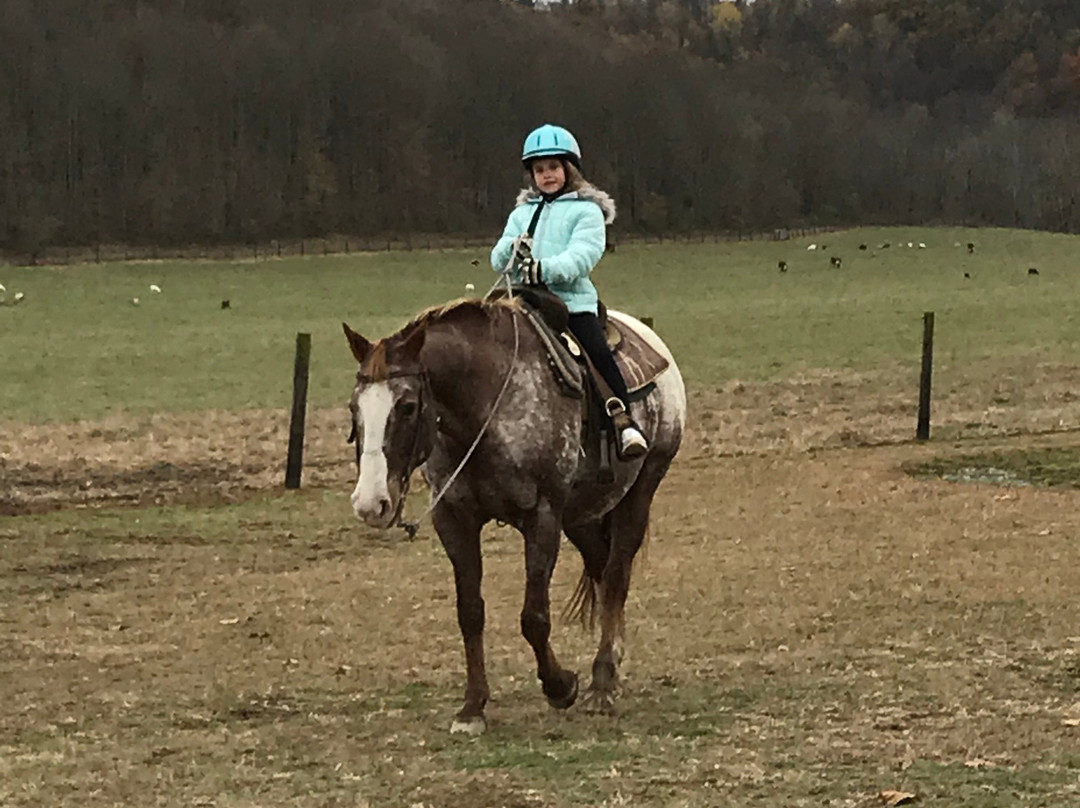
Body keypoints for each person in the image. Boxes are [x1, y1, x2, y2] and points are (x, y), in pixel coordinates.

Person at [491, 123, 647, 459]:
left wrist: (545, 268)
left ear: (568, 169)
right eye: (539, 169)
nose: (546, 175)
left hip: (571, 305)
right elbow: (496, 257)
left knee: (596, 352)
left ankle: (624, 422)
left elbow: (583, 256)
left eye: (553, 167)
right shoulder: (522, 213)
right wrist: (512, 249)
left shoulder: (587, 211)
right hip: (521, 303)